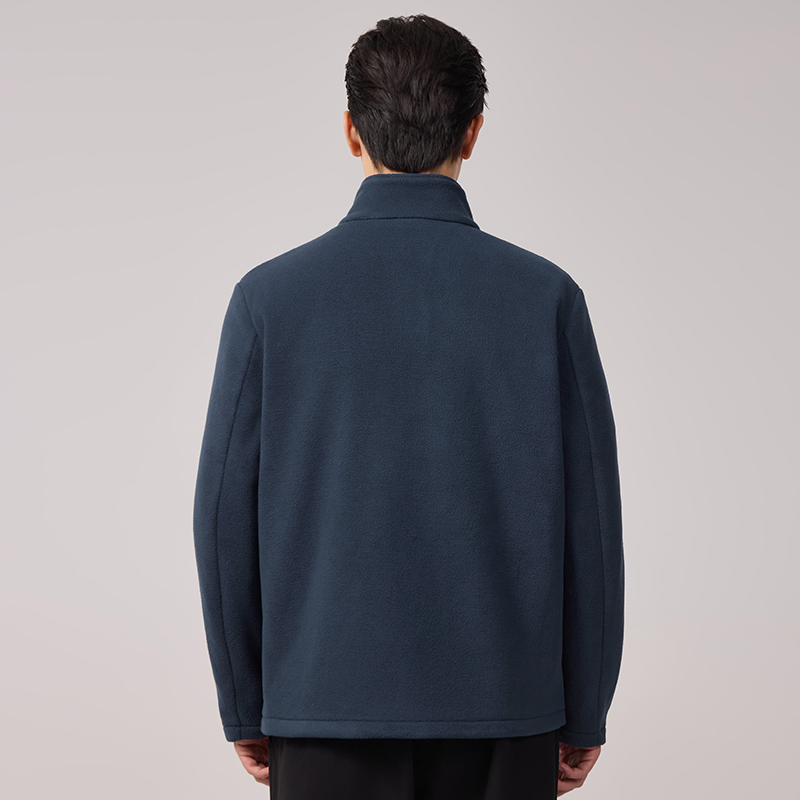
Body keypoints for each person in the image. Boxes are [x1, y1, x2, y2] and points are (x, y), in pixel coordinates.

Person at [193, 13, 625, 799]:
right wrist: (585, 709)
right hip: (506, 712)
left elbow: (223, 519)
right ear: (474, 131)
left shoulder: (269, 301)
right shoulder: (546, 299)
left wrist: (245, 703)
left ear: (350, 132)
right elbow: (591, 527)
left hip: (322, 710)